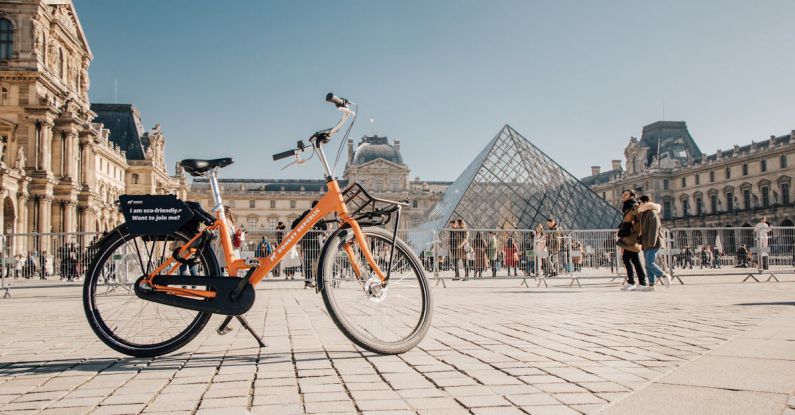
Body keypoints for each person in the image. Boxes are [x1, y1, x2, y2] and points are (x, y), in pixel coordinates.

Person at [292, 201, 327, 288]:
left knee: (307, 263)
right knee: (318, 263)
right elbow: (325, 228)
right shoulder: (318, 214)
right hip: (316, 242)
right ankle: (317, 281)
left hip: (306, 241)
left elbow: (296, 225)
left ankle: (308, 282)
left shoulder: (305, 213)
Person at [638, 195, 670, 289]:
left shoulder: (651, 212)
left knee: (649, 263)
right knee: (647, 265)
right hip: (646, 242)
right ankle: (651, 285)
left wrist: (651, 242)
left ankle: (664, 276)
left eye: (639, 202)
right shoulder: (644, 213)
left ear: (644, 203)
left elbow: (654, 228)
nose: (638, 205)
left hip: (653, 242)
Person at [617, 190, 646, 291]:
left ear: (631, 196)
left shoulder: (633, 206)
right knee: (633, 259)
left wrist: (634, 231)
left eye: (626, 194)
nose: (623, 196)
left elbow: (638, 220)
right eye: (623, 194)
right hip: (628, 235)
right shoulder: (627, 206)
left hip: (631, 235)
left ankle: (633, 282)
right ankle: (639, 282)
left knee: (627, 259)